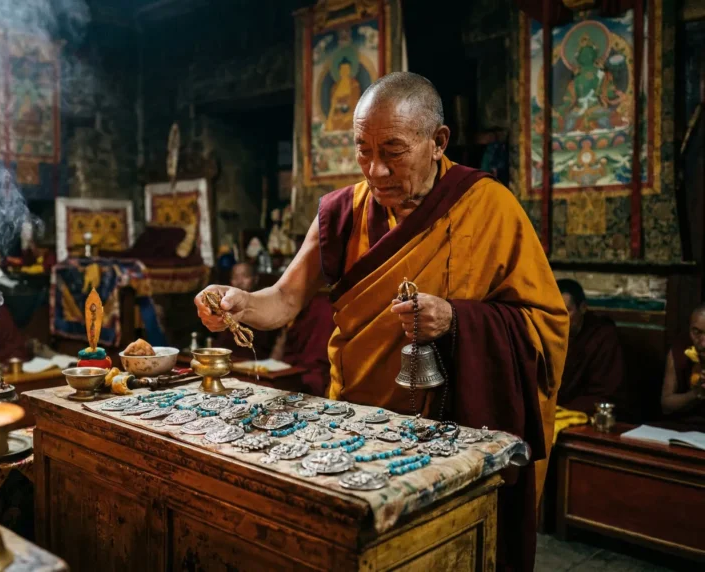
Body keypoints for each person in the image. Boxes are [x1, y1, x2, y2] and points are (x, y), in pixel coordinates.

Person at [195, 72, 568, 572]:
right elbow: (284, 299)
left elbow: (545, 325)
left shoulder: (489, 207)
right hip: (356, 426)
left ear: (437, 143)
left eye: (392, 151)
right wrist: (241, 301)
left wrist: (457, 319)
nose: (375, 170)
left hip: (451, 433)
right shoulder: (342, 211)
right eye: (362, 150)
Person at [555, 279, 628, 418]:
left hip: (585, 413)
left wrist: (561, 410)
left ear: (583, 307)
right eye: (553, 312)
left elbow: (605, 394)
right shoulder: (543, 334)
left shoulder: (602, 337)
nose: (558, 319)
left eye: (566, 311)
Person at [268, 293, 336, 397]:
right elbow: (281, 345)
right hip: (288, 369)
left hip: (314, 373)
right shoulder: (295, 308)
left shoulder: (323, 308)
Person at [660, 304, 705, 430]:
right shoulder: (680, 350)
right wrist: (696, 393)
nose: (703, 342)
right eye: (697, 332)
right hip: (685, 426)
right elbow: (666, 405)